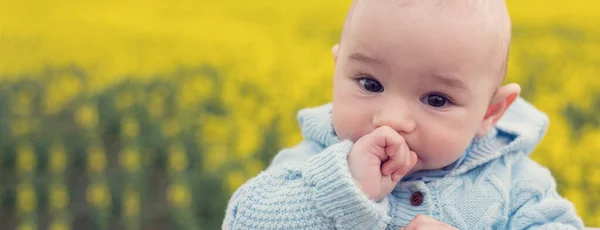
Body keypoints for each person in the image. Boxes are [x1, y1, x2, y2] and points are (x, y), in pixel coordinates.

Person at [222, 0, 584, 229]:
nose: (391, 119)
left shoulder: (514, 182)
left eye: (437, 100)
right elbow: (244, 222)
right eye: (370, 83)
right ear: (337, 71)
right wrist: (345, 189)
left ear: (490, 113)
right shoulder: (312, 167)